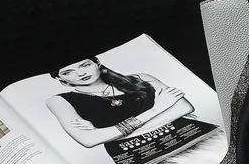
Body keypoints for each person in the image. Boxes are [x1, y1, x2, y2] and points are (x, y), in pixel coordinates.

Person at [46, 57, 193, 148]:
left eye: (85, 65)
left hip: (185, 132)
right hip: (135, 150)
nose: (81, 73)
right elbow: (89, 140)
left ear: (97, 63)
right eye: (67, 72)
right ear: (60, 79)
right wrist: (158, 108)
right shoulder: (59, 101)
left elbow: (184, 108)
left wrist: (111, 133)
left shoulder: (141, 78)